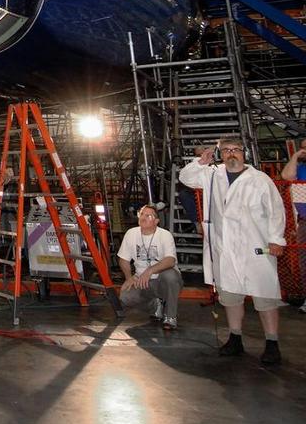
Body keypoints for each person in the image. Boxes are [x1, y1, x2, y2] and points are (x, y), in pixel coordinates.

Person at [180, 137, 286, 365]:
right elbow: (185, 178)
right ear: (221, 155)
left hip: (256, 247)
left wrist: (277, 239)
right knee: (230, 296)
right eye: (226, 150)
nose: (231, 154)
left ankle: (272, 343)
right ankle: (235, 338)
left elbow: (276, 211)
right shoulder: (212, 174)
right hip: (225, 248)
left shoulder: (259, 179)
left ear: (243, 153)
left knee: (265, 296)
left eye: (235, 149)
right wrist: (201, 162)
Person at [116, 205, 183, 330]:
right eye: (141, 214)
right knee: (125, 297)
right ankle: (155, 305)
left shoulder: (165, 235)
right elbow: (123, 259)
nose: (143, 217)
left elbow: (170, 260)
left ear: (156, 221)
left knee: (170, 275)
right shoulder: (131, 233)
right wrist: (129, 278)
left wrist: (150, 271)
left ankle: (170, 316)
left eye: (148, 215)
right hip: (142, 281)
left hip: (162, 280)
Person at [279, 139, 306, 313]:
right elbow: (286, 176)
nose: (304, 150)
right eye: (302, 147)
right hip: (304, 220)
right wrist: (295, 156)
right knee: (304, 261)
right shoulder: (300, 168)